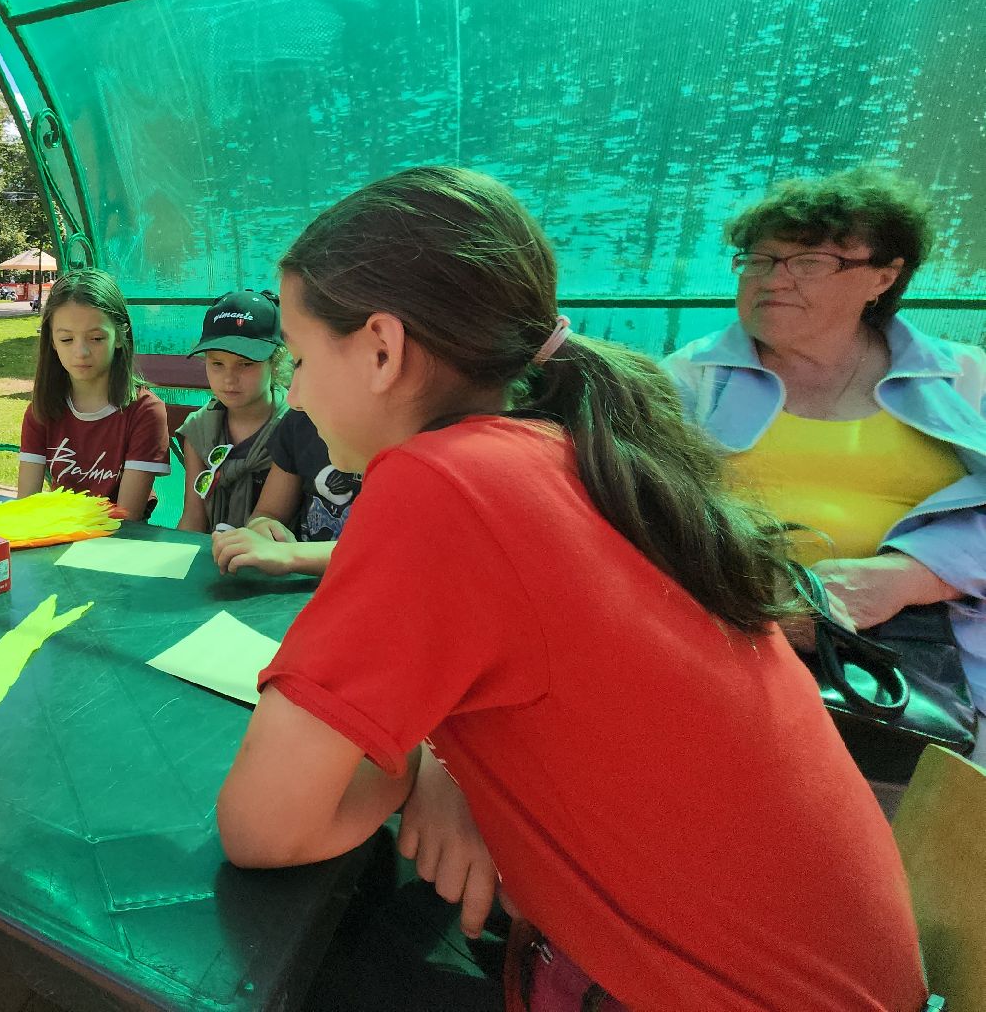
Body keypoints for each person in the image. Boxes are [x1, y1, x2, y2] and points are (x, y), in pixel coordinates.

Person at [217, 167, 926, 1011]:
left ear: (382, 347)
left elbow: (265, 826)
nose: (292, 392)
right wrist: (449, 759)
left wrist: (409, 768)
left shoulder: (441, 483)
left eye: (297, 357)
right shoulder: (577, 447)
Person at [663, 167, 985, 725]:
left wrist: (908, 579)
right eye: (758, 260)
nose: (772, 280)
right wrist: (751, 594)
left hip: (938, 659)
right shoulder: (688, 379)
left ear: (884, 276)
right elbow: (634, 517)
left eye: (809, 262)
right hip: (731, 642)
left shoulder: (966, 379)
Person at [16, 268, 170, 518]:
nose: (81, 352)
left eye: (96, 338)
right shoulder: (41, 410)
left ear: (120, 336)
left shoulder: (145, 411)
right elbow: (25, 508)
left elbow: (126, 517)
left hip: (118, 546)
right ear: (52, 342)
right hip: (55, 538)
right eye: (66, 340)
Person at [176, 290, 290, 534]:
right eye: (217, 363)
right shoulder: (198, 429)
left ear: (276, 361)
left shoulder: (293, 427)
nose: (229, 378)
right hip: (209, 555)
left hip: (274, 559)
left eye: (246, 363)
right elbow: (193, 516)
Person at [209, 409, 360, 576]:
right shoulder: (301, 420)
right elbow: (268, 512)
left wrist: (288, 554)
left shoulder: (392, 438)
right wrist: (261, 525)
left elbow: (383, 551)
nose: (292, 395)